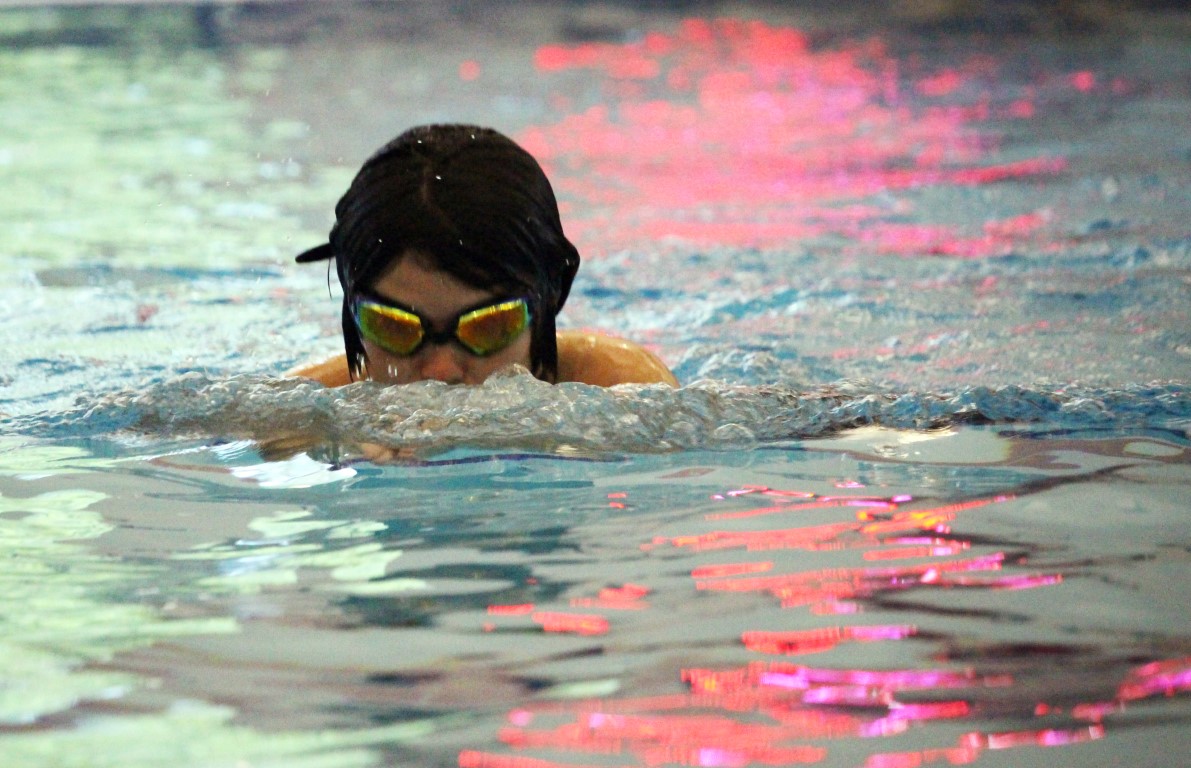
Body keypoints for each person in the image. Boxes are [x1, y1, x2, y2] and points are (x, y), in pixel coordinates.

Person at [289, 124, 677, 388]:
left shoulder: (620, 383)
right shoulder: (306, 405)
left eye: (488, 327)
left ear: (553, 293)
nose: (440, 373)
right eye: (393, 327)